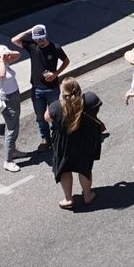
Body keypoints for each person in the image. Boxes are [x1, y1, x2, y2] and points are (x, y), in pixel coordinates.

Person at [45, 78, 104, 210]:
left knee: (65, 170)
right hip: (85, 142)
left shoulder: (56, 107)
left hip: (64, 145)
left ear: (63, 93)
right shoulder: (90, 100)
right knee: (84, 168)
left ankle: (68, 199)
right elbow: (96, 109)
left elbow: (46, 117)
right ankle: (88, 195)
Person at [10, 23, 69, 151]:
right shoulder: (32, 46)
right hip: (37, 89)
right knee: (40, 117)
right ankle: (45, 139)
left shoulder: (56, 48)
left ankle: (56, 136)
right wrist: (29, 30)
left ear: (46, 35)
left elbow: (66, 61)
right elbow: (14, 40)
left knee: (54, 115)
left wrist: (56, 74)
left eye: (41, 38)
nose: (39, 41)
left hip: (52, 88)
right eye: (36, 39)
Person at [0, 44, 23, 172]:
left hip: (14, 96)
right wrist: (2, 59)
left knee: (14, 126)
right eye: (4, 54)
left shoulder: (5, 62)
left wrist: (7, 53)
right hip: (8, 100)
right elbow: (2, 74)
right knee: (12, 129)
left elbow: (18, 55)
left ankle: (12, 151)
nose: (8, 56)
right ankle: (8, 161)